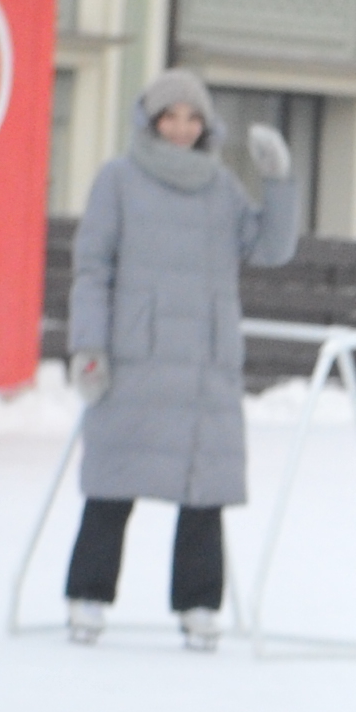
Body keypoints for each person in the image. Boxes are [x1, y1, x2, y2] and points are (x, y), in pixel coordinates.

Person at [63, 71, 303, 650]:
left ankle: (199, 604)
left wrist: (279, 181)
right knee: (113, 482)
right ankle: (87, 596)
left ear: (205, 126)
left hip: (202, 362)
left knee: (203, 492)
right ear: (149, 120)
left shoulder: (219, 186)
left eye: (192, 118)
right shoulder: (117, 180)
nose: (180, 128)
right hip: (134, 358)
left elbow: (269, 247)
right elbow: (94, 269)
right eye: (170, 116)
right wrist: (89, 346)